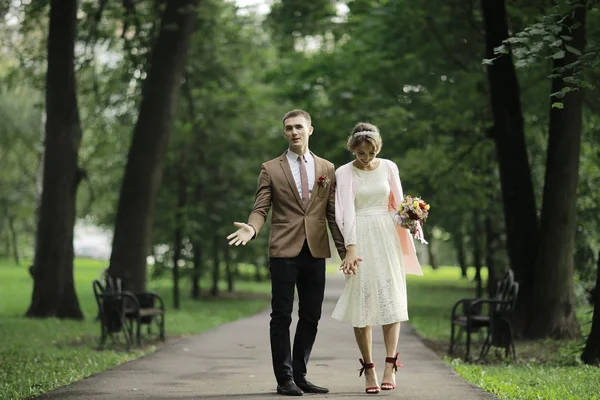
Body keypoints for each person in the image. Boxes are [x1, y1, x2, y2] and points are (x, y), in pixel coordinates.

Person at [227, 109, 349, 397]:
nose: (294, 132)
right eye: (289, 128)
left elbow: (332, 214)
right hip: (283, 250)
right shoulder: (271, 168)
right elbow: (261, 208)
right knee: (281, 315)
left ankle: (300, 374)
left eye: (298, 127)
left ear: (310, 130)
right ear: (285, 133)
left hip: (316, 250)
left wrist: (345, 252)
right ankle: (284, 379)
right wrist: (252, 229)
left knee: (311, 315)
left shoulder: (327, 168)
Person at [332, 122, 424, 394]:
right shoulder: (343, 173)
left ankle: (390, 364)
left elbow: (395, 206)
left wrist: (410, 216)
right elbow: (343, 214)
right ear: (353, 149)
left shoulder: (389, 166)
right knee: (363, 301)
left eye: (371, 153)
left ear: (378, 149)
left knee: (389, 297)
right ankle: (369, 369)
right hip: (359, 235)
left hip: (386, 236)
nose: (367, 158)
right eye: (361, 153)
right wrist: (350, 248)